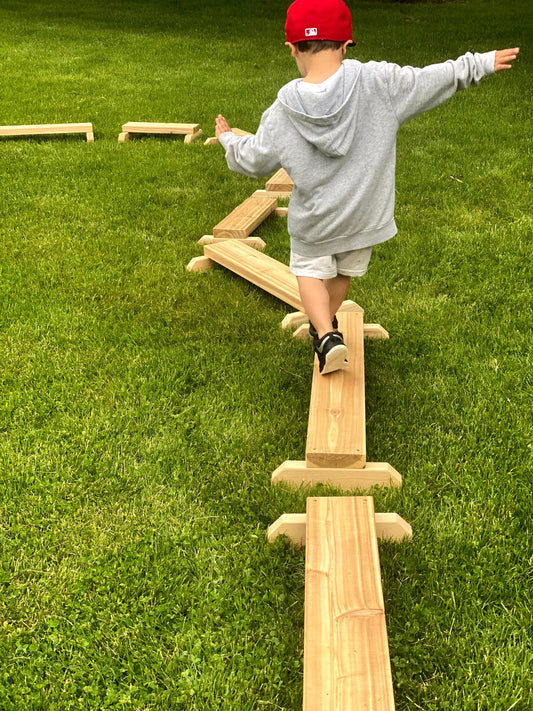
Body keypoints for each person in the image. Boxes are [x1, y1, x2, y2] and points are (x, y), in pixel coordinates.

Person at [215, 0, 519, 374]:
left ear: (292, 48)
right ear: (346, 45)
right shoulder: (381, 82)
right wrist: (478, 63)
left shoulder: (283, 109)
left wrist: (230, 141)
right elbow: (432, 78)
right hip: (364, 218)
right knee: (342, 272)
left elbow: (254, 159)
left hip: (316, 221)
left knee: (309, 268)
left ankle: (325, 333)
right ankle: (326, 328)